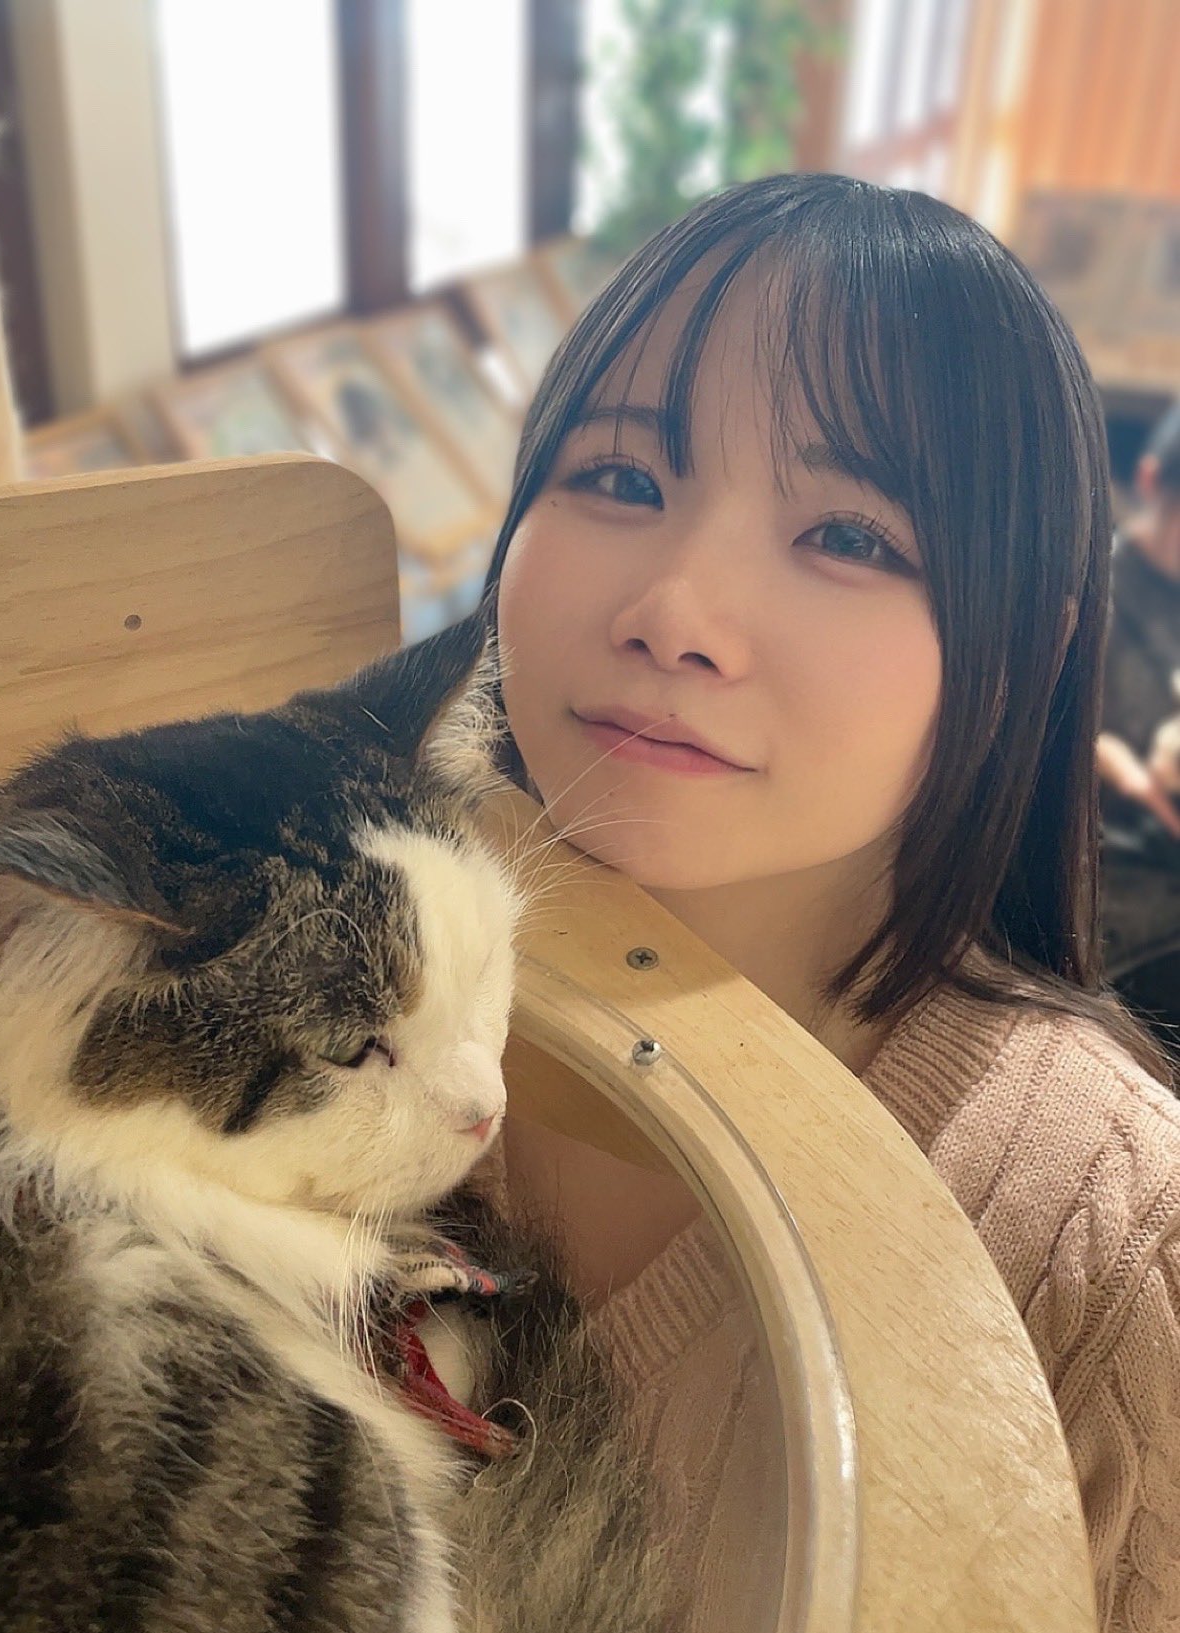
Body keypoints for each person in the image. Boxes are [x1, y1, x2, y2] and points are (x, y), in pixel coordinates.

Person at [480, 174, 1180, 1632]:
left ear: (1022, 654)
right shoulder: (285, 967)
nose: (675, 611)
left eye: (852, 537)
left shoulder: (1104, 1233)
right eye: (623, 477)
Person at [1098, 402, 1180, 1048]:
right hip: (1120, 900)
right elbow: (1046, 725)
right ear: (1152, 481)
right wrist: (1128, 775)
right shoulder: (1090, 585)